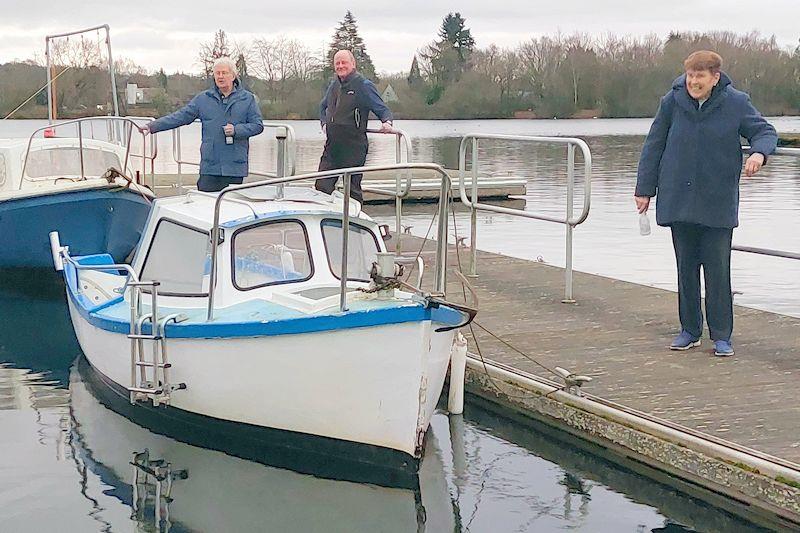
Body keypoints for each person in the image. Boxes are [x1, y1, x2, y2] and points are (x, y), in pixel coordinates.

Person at [635, 50, 777, 357]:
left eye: (700, 76)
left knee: (717, 271)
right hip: (679, 199)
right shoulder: (672, 102)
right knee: (686, 269)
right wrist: (644, 189)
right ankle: (689, 330)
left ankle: (722, 335)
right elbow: (654, 145)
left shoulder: (735, 103)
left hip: (717, 201)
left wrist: (758, 153)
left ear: (715, 78)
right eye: (690, 76)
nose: (694, 82)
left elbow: (764, 131)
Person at [143, 57, 264, 192]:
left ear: (233, 75)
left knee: (232, 208)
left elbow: (257, 125)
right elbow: (180, 116)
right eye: (217, 73)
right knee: (204, 206)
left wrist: (237, 130)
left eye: (224, 73)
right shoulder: (203, 99)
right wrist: (152, 126)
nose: (220, 76)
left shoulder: (247, 99)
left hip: (234, 167)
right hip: (210, 165)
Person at [315, 49, 393, 203]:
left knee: (352, 190)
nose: (340, 66)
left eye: (344, 62)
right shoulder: (334, 85)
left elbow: (381, 108)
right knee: (322, 186)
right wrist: (324, 123)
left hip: (354, 145)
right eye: (337, 63)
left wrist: (387, 122)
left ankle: (355, 223)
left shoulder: (363, 85)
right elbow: (322, 107)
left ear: (353, 64)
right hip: (332, 145)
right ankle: (329, 222)